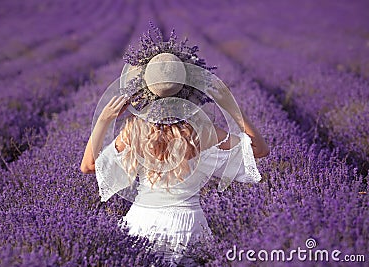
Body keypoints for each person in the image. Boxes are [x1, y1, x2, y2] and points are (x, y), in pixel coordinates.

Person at [80, 26, 269, 266]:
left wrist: (104, 120)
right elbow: (259, 149)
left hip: (142, 223)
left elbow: (88, 166)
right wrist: (229, 105)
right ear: (187, 90)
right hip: (189, 226)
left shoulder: (135, 130)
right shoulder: (201, 131)